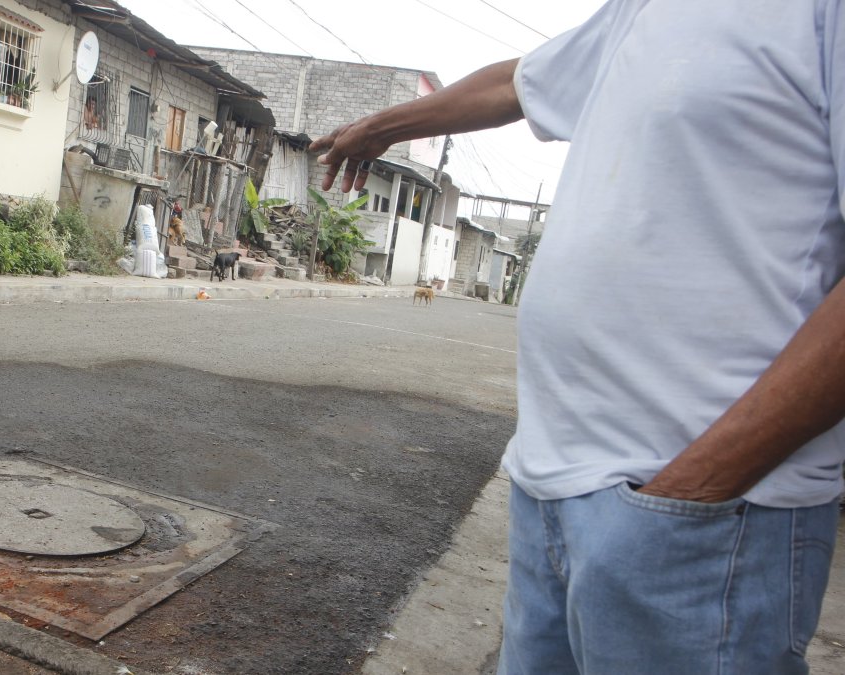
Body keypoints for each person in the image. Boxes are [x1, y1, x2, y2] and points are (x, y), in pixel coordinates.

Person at [312, 1, 845, 672]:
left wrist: (691, 489)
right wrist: (382, 126)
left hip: (706, 521)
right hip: (551, 494)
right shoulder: (640, 12)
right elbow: (518, 82)